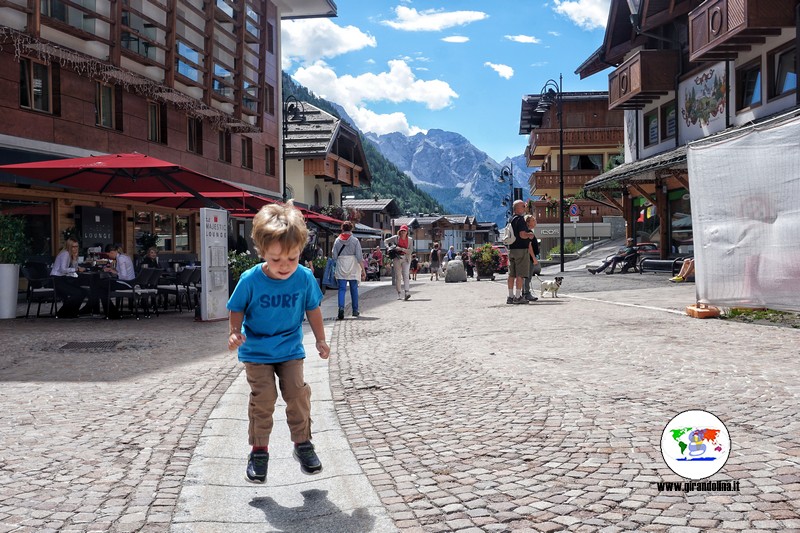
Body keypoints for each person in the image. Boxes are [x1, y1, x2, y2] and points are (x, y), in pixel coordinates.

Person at [227, 202, 330, 485]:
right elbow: (236, 307)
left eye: (292, 259)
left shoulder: (304, 278)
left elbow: (313, 309)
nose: (284, 266)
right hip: (257, 351)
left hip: (289, 349)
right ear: (262, 252)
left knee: (297, 394)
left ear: (300, 251)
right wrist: (235, 331)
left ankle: (303, 444)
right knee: (264, 399)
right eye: (276, 260)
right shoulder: (250, 279)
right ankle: (259, 451)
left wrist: (321, 340)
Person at [331, 221, 364, 320]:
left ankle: (341, 308)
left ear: (342, 229)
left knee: (342, 289)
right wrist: (363, 270)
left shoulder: (337, 240)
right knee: (354, 288)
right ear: (351, 229)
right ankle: (355, 310)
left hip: (341, 264)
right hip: (353, 265)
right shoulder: (355, 240)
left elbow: (334, 256)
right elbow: (359, 256)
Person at [50, 237, 87, 318]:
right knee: (77, 293)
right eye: (73, 247)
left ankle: (73, 312)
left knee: (83, 291)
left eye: (77, 246)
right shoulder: (65, 254)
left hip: (62, 278)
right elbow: (63, 270)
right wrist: (76, 269)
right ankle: (63, 313)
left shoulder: (70, 254)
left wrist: (74, 259)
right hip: (56, 279)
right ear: (69, 246)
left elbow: (74, 267)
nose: (75, 249)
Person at [506, 200, 535, 304]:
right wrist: (530, 235)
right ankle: (518, 297)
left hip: (512, 249)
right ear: (518, 208)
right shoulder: (521, 220)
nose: (524, 207)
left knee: (511, 274)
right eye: (523, 206)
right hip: (521, 250)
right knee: (520, 274)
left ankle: (510, 296)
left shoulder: (511, 219)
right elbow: (522, 234)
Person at [384, 225, 413, 300]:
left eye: (404, 231)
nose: (403, 232)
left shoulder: (410, 240)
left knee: (406, 274)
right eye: (402, 231)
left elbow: (410, 251)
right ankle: (399, 293)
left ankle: (407, 292)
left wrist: (401, 249)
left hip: (406, 258)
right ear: (399, 231)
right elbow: (385, 241)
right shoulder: (395, 238)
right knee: (398, 276)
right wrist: (388, 248)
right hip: (397, 258)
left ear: (407, 232)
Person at [521, 215, 540, 302]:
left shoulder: (528, 231)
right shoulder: (528, 232)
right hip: (529, 258)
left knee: (527, 276)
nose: (535, 221)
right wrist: (534, 258)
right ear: (528, 222)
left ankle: (525, 293)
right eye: (533, 220)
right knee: (527, 276)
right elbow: (529, 247)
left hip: (529, 257)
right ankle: (526, 293)